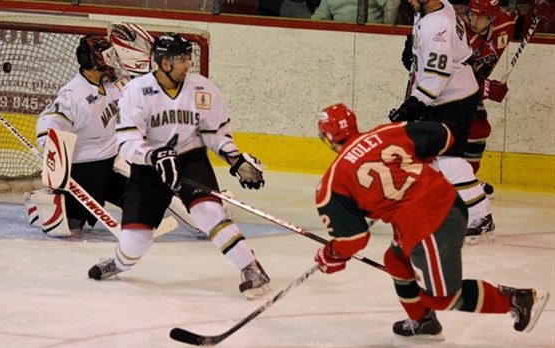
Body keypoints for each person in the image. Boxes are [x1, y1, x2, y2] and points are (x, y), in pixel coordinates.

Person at [314, 103, 550, 339]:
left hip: (428, 225)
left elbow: (353, 240)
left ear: (326, 138)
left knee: (441, 297)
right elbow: (445, 135)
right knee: (395, 261)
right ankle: (422, 320)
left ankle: (516, 300)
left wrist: (330, 255)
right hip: (448, 202)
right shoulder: (388, 131)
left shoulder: (333, 182)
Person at [87, 32, 272, 300]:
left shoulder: (203, 89)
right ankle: (118, 263)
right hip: (150, 167)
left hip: (190, 160)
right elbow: (127, 142)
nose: (188, 64)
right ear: (164, 63)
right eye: (182, 59)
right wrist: (154, 156)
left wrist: (236, 160)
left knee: (210, 212)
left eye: (188, 58)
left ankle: (251, 268)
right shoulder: (136, 91)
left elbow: (216, 134)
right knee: (134, 242)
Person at [393, 0, 493, 244]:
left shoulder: (438, 26)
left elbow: (438, 74)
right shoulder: (440, 7)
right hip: (451, 95)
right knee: (429, 157)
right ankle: (437, 209)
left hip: (453, 100)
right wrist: (414, 46)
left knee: (449, 159)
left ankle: (482, 217)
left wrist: (415, 104)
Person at [33, 35, 127, 237]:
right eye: (106, 56)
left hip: (114, 160)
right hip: (86, 167)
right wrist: (50, 146)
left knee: (143, 199)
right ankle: (62, 205)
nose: (112, 59)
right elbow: (50, 121)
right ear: (95, 61)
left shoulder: (114, 82)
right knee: (72, 224)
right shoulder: (73, 94)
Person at [462, 0, 554, 198]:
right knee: (451, 133)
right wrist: (486, 88)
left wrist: (536, 14)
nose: (473, 20)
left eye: (481, 17)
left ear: (493, 18)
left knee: (479, 129)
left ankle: (466, 179)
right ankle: (453, 180)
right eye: (472, 14)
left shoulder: (504, 24)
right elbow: (450, 78)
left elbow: (523, 28)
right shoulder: (459, 35)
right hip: (445, 94)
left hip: (468, 94)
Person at [311, 0, 400, 24]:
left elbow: (392, 4)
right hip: (339, 38)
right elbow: (320, 16)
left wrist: (386, 30)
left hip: (371, 39)